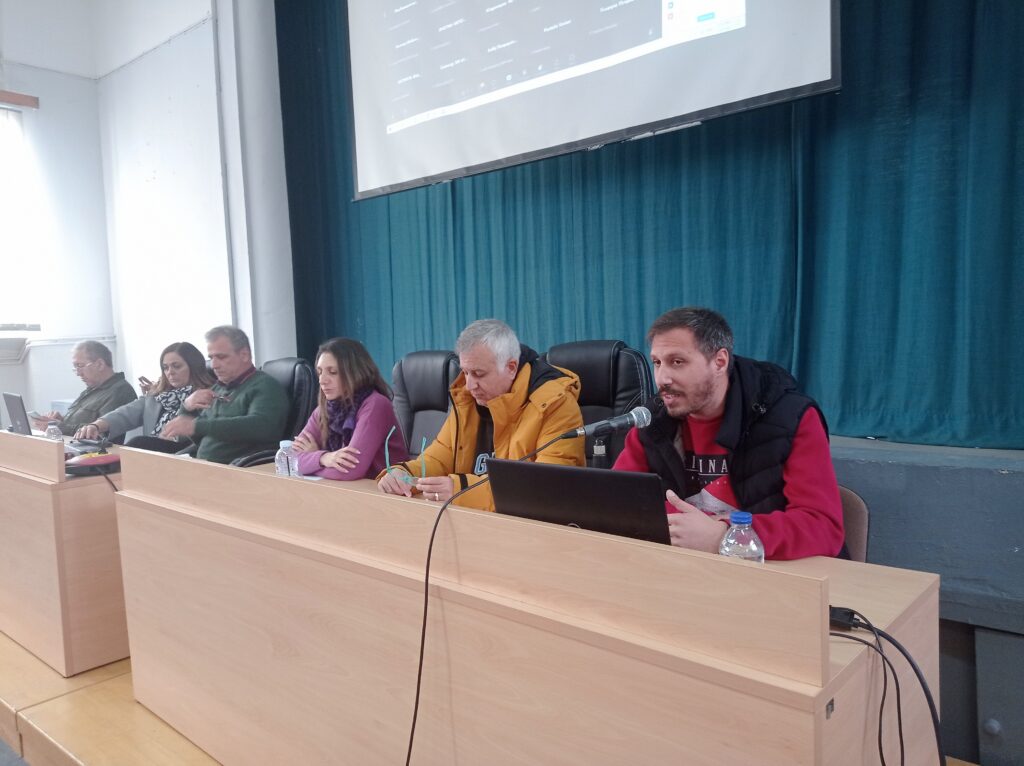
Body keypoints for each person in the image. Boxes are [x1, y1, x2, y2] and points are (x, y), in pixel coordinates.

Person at [613, 307, 845, 560]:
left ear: (719, 362)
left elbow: (823, 526)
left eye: (677, 362)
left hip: (766, 571)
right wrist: (684, 525)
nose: (662, 378)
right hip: (685, 566)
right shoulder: (653, 420)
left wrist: (725, 536)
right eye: (657, 363)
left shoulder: (789, 417)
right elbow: (618, 500)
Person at [377, 319, 585, 511]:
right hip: (472, 521)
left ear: (511, 368)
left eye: (478, 374)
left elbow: (546, 487)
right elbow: (438, 459)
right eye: (465, 372)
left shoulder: (556, 405)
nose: (469, 385)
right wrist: (403, 474)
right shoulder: (467, 401)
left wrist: (461, 490)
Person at [161, 326, 289, 464]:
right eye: (211, 358)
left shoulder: (266, 386)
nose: (214, 365)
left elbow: (261, 426)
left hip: (239, 469)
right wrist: (187, 407)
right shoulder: (218, 388)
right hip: (205, 466)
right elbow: (196, 437)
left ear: (244, 355)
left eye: (221, 357)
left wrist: (196, 425)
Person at [292, 338, 408, 480]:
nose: (322, 380)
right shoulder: (325, 409)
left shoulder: (376, 405)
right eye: (320, 372)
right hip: (342, 489)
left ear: (355, 373)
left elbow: (349, 471)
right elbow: (290, 459)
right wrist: (323, 458)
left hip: (381, 490)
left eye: (333, 372)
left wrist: (311, 462)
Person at [73, 342, 215, 452]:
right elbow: (125, 413)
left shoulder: (206, 396)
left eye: (176, 366)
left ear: (193, 366)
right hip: (152, 456)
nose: (170, 372)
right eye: (165, 367)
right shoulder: (157, 396)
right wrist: (95, 425)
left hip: (184, 456)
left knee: (138, 443)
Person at [31, 341, 137, 435]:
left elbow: (100, 434)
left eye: (80, 366)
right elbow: (81, 423)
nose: (78, 373)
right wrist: (62, 420)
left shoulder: (120, 391)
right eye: (75, 367)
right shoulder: (93, 388)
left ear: (100, 364)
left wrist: (59, 427)